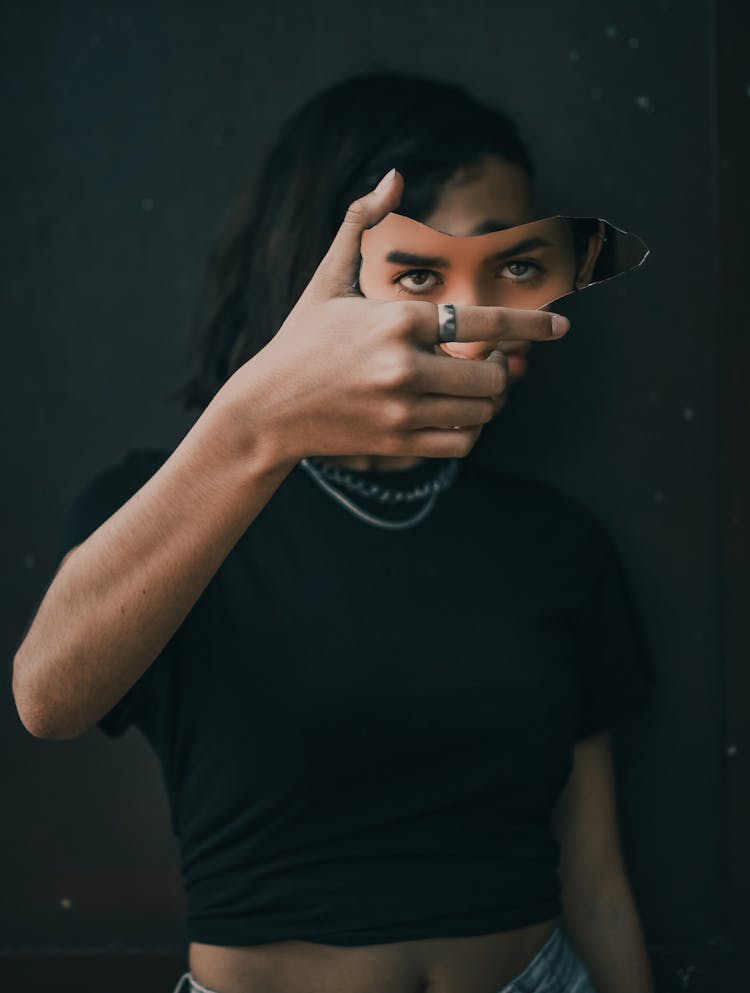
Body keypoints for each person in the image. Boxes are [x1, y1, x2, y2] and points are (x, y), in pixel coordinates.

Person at [13, 71, 658, 993]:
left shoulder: (556, 542)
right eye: (431, 270)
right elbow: (47, 697)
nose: (495, 310)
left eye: (515, 265)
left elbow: (596, 882)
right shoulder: (177, 500)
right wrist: (257, 424)